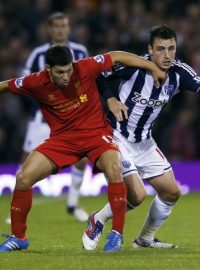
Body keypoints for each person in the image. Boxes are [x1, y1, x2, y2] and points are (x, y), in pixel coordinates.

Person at [0, 45, 165, 253]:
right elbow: (6, 85)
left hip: (96, 134)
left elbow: (116, 56)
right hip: (63, 140)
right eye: (60, 72)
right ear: (48, 70)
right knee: (23, 178)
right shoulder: (35, 81)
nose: (66, 76)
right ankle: (18, 237)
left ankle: (116, 234)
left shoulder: (84, 67)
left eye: (69, 70)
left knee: (114, 170)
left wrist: (153, 68)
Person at [82, 25, 200, 250]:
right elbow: (96, 73)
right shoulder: (132, 66)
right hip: (117, 136)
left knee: (172, 192)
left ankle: (144, 239)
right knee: (136, 195)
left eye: (171, 49)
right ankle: (97, 218)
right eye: (161, 49)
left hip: (145, 141)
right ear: (150, 49)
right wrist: (110, 99)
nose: (166, 55)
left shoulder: (180, 73)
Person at [6, 12, 89, 224]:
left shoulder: (80, 51)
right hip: (42, 117)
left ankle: (73, 203)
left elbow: (87, 81)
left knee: (82, 158)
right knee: (26, 161)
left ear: (68, 28)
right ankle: (14, 208)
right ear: (49, 29)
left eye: (64, 26)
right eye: (57, 26)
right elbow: (26, 83)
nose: (61, 30)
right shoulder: (38, 54)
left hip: (73, 117)